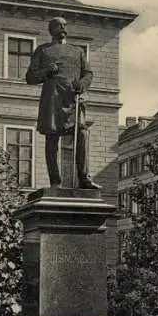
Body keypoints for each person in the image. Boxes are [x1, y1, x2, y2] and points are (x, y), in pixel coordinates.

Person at [26, 17, 100, 189]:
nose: (62, 27)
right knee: (52, 140)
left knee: (82, 134)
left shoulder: (77, 51)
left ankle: (84, 178)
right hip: (52, 100)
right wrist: (46, 72)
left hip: (72, 99)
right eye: (58, 25)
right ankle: (55, 181)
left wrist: (82, 84)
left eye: (64, 25)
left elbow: (88, 73)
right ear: (51, 30)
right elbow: (30, 77)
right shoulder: (42, 51)